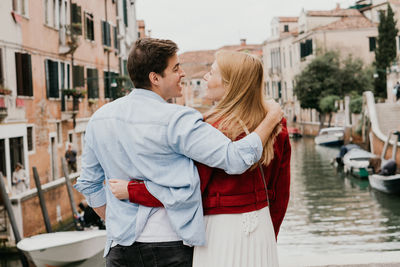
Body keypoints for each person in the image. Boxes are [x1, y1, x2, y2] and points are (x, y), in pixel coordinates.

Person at [74, 38, 283, 267]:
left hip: (119, 247)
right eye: (175, 68)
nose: (183, 73)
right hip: (168, 244)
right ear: (155, 78)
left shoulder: (99, 119)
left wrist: (115, 221)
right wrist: (272, 118)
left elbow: (90, 185)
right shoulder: (179, 119)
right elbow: (235, 159)